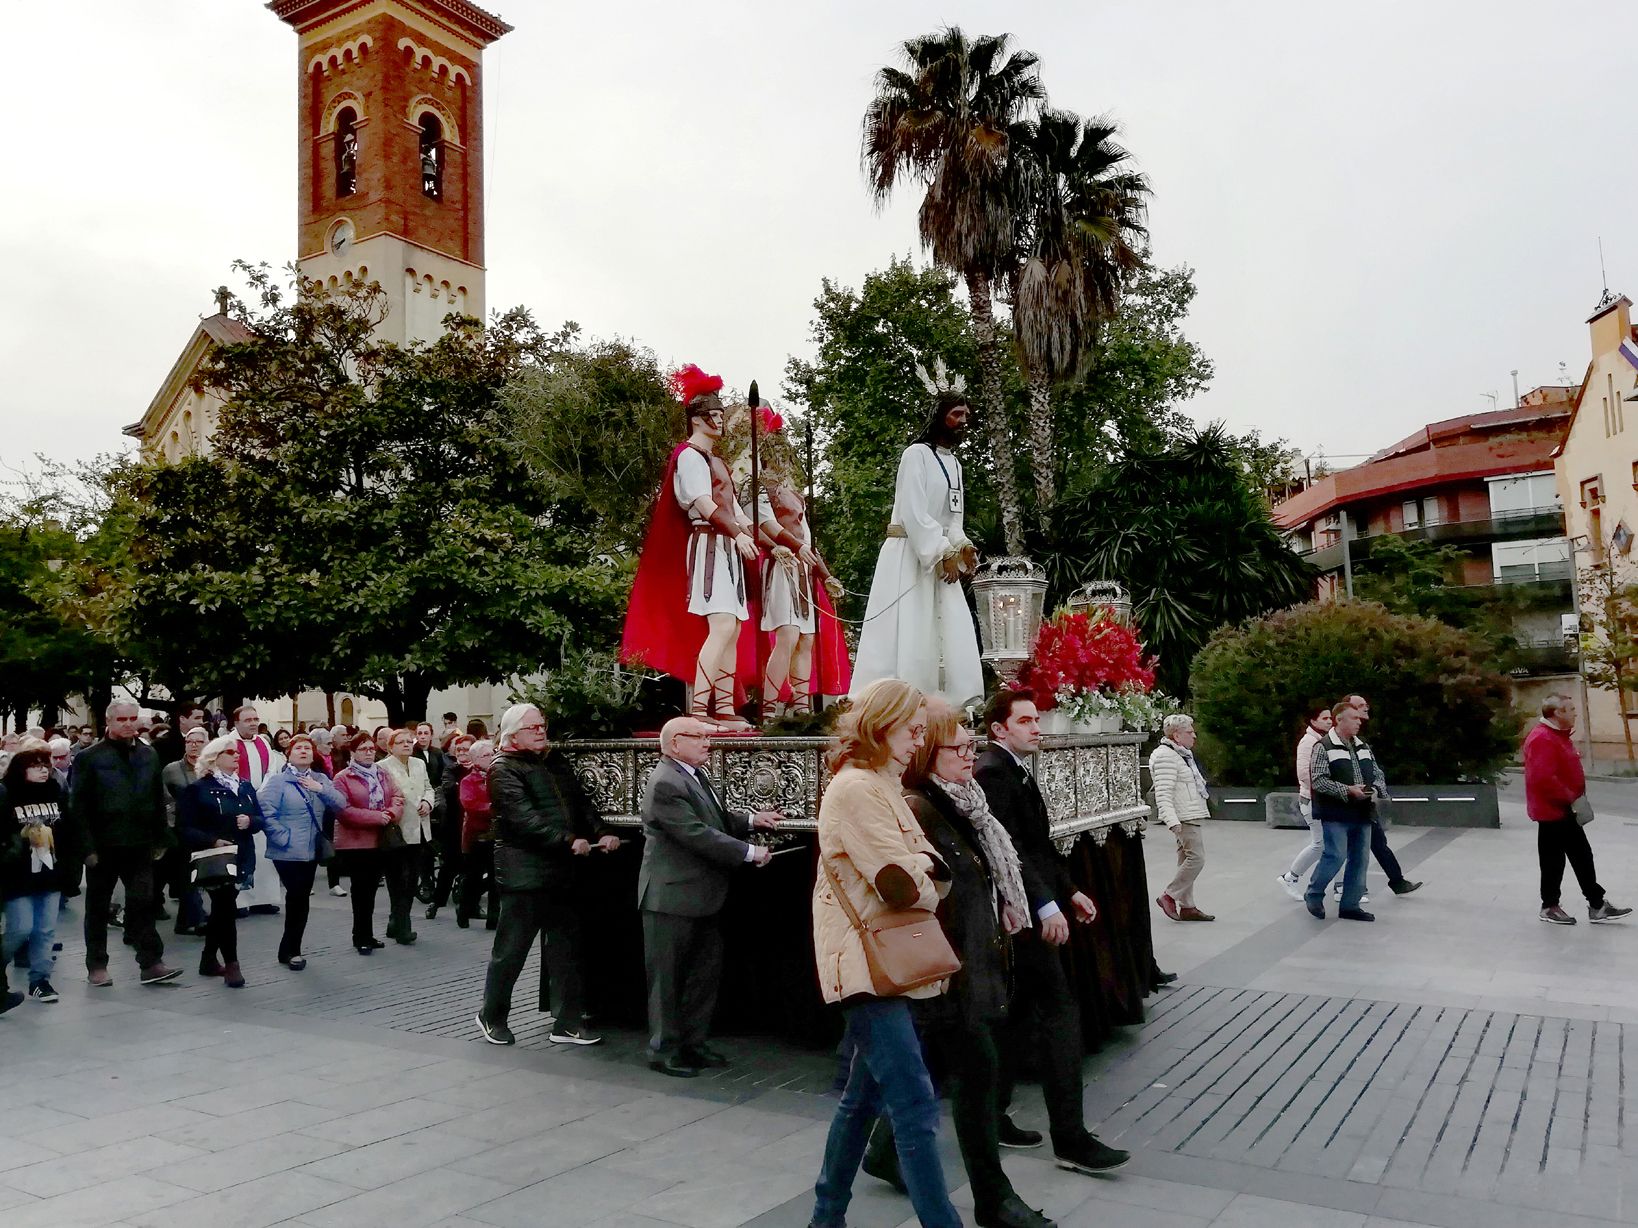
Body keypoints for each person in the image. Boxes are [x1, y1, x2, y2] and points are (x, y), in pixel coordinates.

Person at [867, 699, 1053, 1228]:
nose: (969, 755)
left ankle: (880, 1155)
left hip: (972, 962)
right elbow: (930, 892)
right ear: (928, 751)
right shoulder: (919, 808)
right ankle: (993, 1199)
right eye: (958, 747)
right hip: (946, 970)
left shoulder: (966, 803)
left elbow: (991, 872)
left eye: (972, 745)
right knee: (976, 1073)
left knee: (915, 1073)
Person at [808, 678, 963, 1228]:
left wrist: (922, 869)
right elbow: (903, 882)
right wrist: (922, 869)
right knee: (915, 1103)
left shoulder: (882, 783)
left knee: (861, 1101)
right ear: (881, 723)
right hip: (865, 962)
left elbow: (933, 872)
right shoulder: (858, 788)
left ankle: (825, 1218)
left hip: (882, 960)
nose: (920, 739)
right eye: (913, 728)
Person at [976, 687, 1128, 1176]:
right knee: (1059, 1015)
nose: (1036, 728)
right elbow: (1012, 849)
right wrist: (1044, 904)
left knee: (1016, 1016)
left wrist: (1068, 890)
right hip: (1018, 913)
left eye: (1036, 720)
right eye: (1025, 721)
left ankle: (992, 1116)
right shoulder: (993, 772)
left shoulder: (1012, 769)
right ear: (999, 729)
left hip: (1027, 906)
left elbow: (1038, 846)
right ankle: (1070, 1138)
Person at [639, 716, 780, 1076]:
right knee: (668, 981)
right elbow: (696, 833)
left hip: (701, 896)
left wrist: (751, 820)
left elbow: (714, 818)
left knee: (702, 976)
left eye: (707, 736)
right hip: (671, 898)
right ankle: (664, 1050)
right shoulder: (666, 782)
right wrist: (749, 852)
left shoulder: (693, 774)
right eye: (698, 736)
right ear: (674, 743)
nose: (707, 742)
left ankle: (693, 1043)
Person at [620, 364, 758, 729]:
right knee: (723, 626)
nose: (720, 420)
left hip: (726, 545)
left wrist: (753, 533)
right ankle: (700, 710)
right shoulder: (689, 456)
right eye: (713, 415)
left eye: (720, 414)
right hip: (709, 547)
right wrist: (738, 531)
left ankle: (724, 708)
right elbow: (703, 503)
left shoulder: (716, 461)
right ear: (696, 419)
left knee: (733, 628)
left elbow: (731, 510)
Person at [476, 704, 617, 1047]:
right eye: (533, 727)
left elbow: (580, 804)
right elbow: (524, 820)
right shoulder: (503, 768)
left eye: (542, 725)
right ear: (512, 735)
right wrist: (569, 840)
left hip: (559, 870)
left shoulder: (553, 762)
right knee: (512, 950)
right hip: (524, 872)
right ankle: (492, 1015)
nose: (541, 731)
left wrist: (601, 831)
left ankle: (566, 1023)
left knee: (566, 948)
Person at [851, 390, 983, 706]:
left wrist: (962, 546)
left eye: (966, 415)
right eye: (957, 415)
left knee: (953, 622)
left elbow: (953, 519)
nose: (963, 422)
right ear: (940, 417)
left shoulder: (955, 465)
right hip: (909, 554)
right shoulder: (916, 455)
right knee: (910, 624)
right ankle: (895, 699)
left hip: (940, 558)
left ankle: (955, 700)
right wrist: (940, 551)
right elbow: (914, 512)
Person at [727, 406, 851, 716]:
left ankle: (801, 708)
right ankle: (769, 710)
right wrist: (783, 549)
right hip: (781, 567)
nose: (784, 459)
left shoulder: (794, 493)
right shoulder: (757, 488)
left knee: (806, 639)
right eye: (778, 452)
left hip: (801, 570)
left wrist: (825, 575)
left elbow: (807, 538)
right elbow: (766, 527)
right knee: (788, 635)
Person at [70, 700, 180, 987]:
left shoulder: (148, 753)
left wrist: (161, 837)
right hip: (103, 844)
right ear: (109, 721)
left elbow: (158, 797)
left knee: (143, 901)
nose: (128, 724)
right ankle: (96, 964)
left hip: (140, 841)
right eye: (122, 719)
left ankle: (151, 962)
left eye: (133, 718)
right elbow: (77, 805)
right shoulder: (89, 757)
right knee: (98, 907)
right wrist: (87, 848)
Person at [1524, 694, 1632, 924]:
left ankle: (1591, 904)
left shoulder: (1558, 736)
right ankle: (1558, 906)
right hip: (1555, 811)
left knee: (1574, 856)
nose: (1575, 713)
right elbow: (1543, 779)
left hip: (1564, 809)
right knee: (1563, 859)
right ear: (1557, 713)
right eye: (1570, 709)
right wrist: (1570, 797)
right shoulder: (1543, 738)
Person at [178, 735, 264, 987]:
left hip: (242, 855)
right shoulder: (198, 789)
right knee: (226, 909)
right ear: (214, 758)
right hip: (215, 858)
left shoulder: (245, 786)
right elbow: (185, 827)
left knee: (222, 909)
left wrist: (251, 822)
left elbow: (259, 817)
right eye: (230, 752)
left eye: (236, 752)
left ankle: (207, 959)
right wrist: (213, 841)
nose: (236, 755)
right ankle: (232, 964)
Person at [1, 746, 82, 1004]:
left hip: (50, 872)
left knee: (45, 929)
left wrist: (70, 867)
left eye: (45, 765)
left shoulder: (55, 793)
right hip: (18, 875)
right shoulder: (7, 795)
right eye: (36, 765)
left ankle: (40, 980)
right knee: (20, 927)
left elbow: (68, 830)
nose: (43, 770)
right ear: (21, 769)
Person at [259, 734, 347, 969]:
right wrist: (282, 837)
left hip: (311, 850)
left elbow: (341, 803)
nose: (303, 752)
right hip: (286, 851)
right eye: (298, 748)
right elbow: (266, 812)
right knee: (297, 896)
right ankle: (292, 950)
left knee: (300, 899)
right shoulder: (279, 781)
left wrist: (321, 789)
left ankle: (288, 948)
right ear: (289, 754)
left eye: (307, 748)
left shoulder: (320, 779)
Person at [1340, 695, 1422, 900]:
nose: (1365, 709)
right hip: (1343, 805)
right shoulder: (1337, 740)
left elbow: (1374, 770)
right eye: (1360, 706)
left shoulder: (1361, 740)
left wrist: (1377, 790)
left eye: (1366, 705)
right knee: (1336, 851)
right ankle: (1344, 887)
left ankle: (1395, 881)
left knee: (1375, 843)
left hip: (1363, 803)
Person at [1306, 702, 1382, 921]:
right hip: (1335, 812)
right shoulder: (1324, 746)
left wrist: (1376, 789)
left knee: (1360, 859)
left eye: (1360, 718)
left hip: (1362, 811)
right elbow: (1319, 780)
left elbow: (1377, 773)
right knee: (1335, 855)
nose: (1360, 721)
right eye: (1354, 718)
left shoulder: (1363, 746)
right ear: (1340, 720)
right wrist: (1347, 791)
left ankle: (1350, 905)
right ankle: (1314, 893)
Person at [331, 734, 402, 954]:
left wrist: (390, 813)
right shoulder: (343, 777)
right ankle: (360, 935)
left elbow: (398, 797)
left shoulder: (382, 773)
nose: (369, 752)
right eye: (363, 749)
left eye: (371, 748)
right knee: (360, 890)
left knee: (371, 890)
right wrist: (375, 817)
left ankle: (368, 934)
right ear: (352, 753)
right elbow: (343, 811)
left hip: (380, 840)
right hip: (356, 842)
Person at [1150, 713, 1215, 923]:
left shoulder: (1179, 754)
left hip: (1188, 813)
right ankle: (1169, 896)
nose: (1194, 735)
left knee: (1186, 859)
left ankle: (1188, 907)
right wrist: (1172, 821)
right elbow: (1163, 792)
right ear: (1176, 736)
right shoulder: (1165, 756)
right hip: (1183, 817)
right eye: (1189, 732)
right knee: (1197, 858)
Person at [226, 705, 285, 915]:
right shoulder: (228, 743)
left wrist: (262, 793)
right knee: (242, 853)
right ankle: (240, 902)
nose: (253, 723)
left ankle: (264, 898)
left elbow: (271, 770)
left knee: (263, 853)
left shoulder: (263, 743)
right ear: (236, 723)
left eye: (255, 719)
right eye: (248, 720)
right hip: (238, 805)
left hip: (260, 804)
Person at [380, 729, 433, 945]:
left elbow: (429, 787)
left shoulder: (419, 763)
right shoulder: (382, 767)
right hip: (397, 831)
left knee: (412, 879)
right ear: (390, 746)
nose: (406, 745)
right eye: (399, 742)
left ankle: (397, 920)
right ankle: (402, 924)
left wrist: (428, 802)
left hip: (420, 828)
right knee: (397, 879)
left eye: (408, 741)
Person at [1277, 704, 1333, 901]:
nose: (1329, 721)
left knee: (1329, 845)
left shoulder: (1324, 740)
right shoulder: (1308, 742)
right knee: (1320, 844)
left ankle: (1339, 886)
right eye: (1324, 718)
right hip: (1312, 801)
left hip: (1322, 801)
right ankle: (1290, 877)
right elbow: (1304, 774)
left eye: (1330, 718)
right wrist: (1329, 787)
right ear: (1313, 720)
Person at [161, 727, 210, 936]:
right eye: (190, 741)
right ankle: (199, 918)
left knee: (195, 875)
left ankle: (183, 922)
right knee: (187, 874)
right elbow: (163, 799)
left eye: (199, 742)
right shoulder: (172, 769)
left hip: (204, 829)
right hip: (179, 829)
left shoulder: (211, 768)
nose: (194, 745)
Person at [415, 721, 458, 919]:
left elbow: (443, 776)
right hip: (419, 799)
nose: (423, 736)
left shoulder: (437, 753)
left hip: (436, 797)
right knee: (424, 844)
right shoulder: (413, 753)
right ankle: (426, 880)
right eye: (420, 733)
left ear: (431, 735)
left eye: (426, 733)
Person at [455, 737, 499, 929]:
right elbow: (470, 805)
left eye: (492, 753)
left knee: (496, 878)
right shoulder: (468, 781)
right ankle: (464, 911)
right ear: (475, 758)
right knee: (473, 877)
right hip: (476, 836)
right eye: (485, 755)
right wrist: (494, 808)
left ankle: (494, 918)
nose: (490, 757)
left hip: (497, 835)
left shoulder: (498, 776)